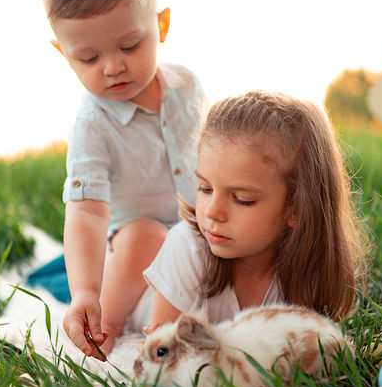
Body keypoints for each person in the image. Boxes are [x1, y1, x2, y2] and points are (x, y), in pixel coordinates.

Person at [42, 0, 208, 359]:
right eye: (88, 58)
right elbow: (86, 210)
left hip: (201, 227)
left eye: (129, 46)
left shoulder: (187, 85)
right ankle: (106, 333)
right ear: (63, 55)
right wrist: (85, 291)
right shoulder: (92, 124)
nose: (112, 67)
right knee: (142, 236)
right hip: (138, 249)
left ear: (162, 27)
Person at [141, 90, 368, 333]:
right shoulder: (188, 246)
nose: (212, 212)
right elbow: (162, 359)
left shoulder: (308, 273)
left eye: (242, 199)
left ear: (296, 208)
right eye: (205, 188)